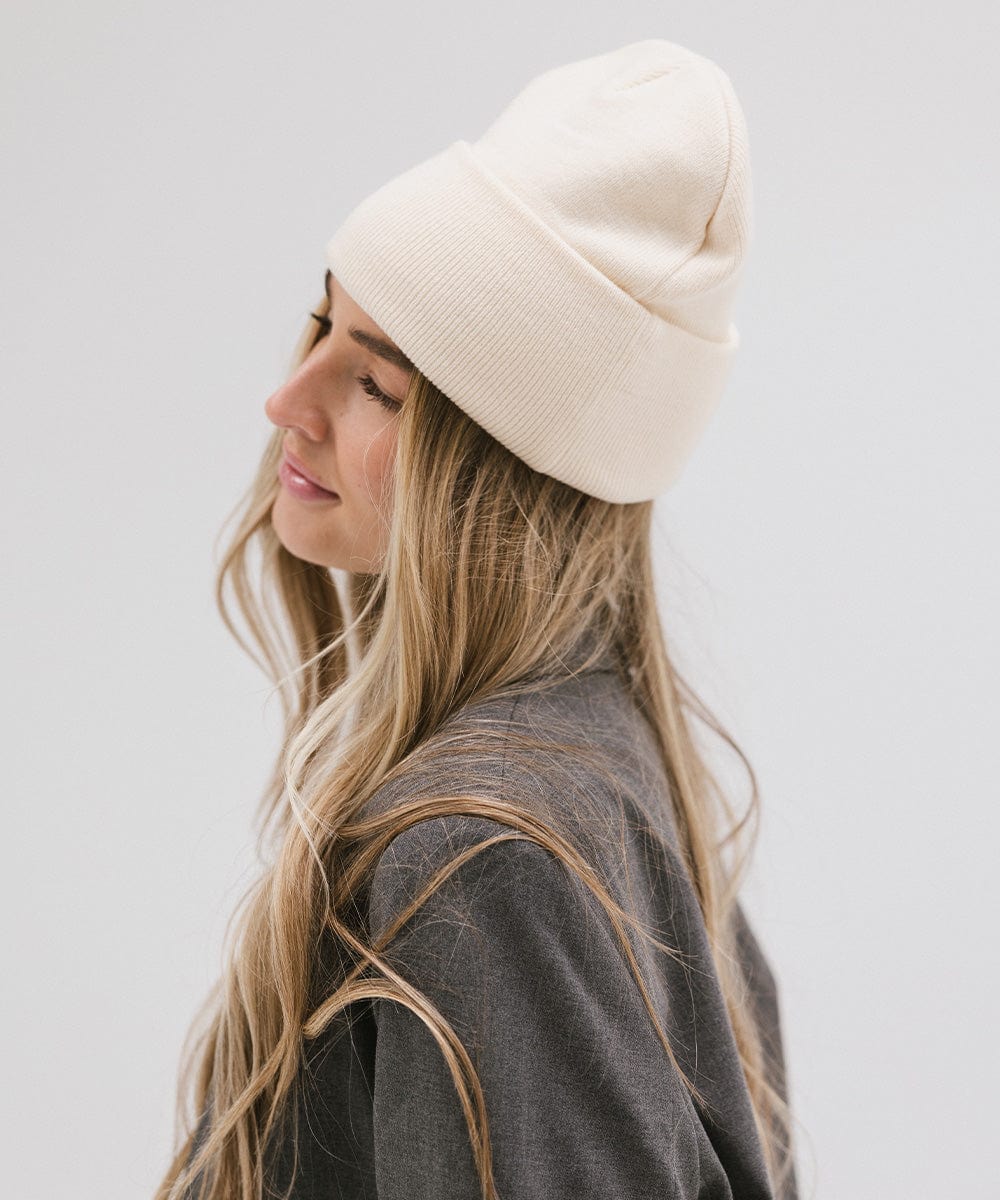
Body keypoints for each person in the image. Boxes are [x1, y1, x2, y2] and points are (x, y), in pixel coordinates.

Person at [155, 37, 801, 1200]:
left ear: (502, 467)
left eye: (376, 384)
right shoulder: (599, 774)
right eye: (320, 323)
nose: (286, 399)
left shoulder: (487, 854)